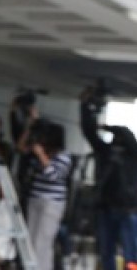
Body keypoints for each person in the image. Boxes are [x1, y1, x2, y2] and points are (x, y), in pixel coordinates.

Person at [79, 86, 137, 270]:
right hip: (106, 208)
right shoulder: (105, 152)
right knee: (107, 250)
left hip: (128, 209)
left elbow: (129, 138)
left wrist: (109, 127)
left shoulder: (133, 155)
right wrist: (85, 107)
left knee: (131, 254)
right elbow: (89, 132)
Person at [16, 118, 71, 270]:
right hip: (35, 199)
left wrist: (41, 155)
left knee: (43, 242)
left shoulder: (63, 156)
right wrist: (30, 127)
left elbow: (53, 175)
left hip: (52, 203)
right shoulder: (40, 152)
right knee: (31, 240)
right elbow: (20, 149)